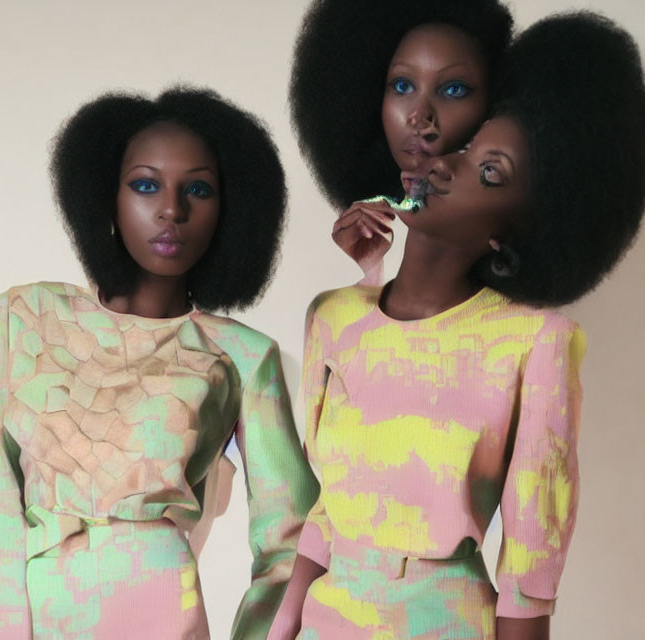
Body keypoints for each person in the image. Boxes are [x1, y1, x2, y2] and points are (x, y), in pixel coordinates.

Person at [270, 12, 645, 640]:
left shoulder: (535, 343)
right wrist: (281, 627)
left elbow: (531, 566)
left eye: (488, 169)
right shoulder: (332, 318)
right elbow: (325, 509)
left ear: (510, 232)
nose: (442, 156)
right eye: (401, 87)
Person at [0, 87, 319, 640]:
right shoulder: (21, 317)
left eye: (198, 189)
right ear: (107, 195)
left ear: (229, 210)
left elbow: (294, 538)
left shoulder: (242, 356)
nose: (172, 210)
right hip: (39, 612)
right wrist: (7, 627)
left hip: (163, 612)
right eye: (146, 184)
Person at [290, 0, 513, 281]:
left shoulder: (541, 327)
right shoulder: (332, 315)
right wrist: (372, 271)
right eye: (402, 86)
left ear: (494, 104)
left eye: (453, 89)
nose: (419, 118)